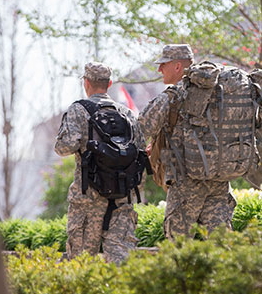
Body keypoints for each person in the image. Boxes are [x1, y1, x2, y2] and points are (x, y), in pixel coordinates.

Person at [139, 44, 237, 238]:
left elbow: (141, 127)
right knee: (221, 243)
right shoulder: (221, 92)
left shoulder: (175, 94)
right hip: (219, 178)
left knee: (178, 245)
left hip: (186, 181)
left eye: (163, 64)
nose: (159, 69)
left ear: (177, 67)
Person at [54, 61, 144, 264]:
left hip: (88, 199)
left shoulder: (79, 110)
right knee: (121, 260)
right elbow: (140, 151)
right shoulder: (127, 114)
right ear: (109, 83)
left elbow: (63, 147)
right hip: (121, 198)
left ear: (86, 83)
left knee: (81, 262)